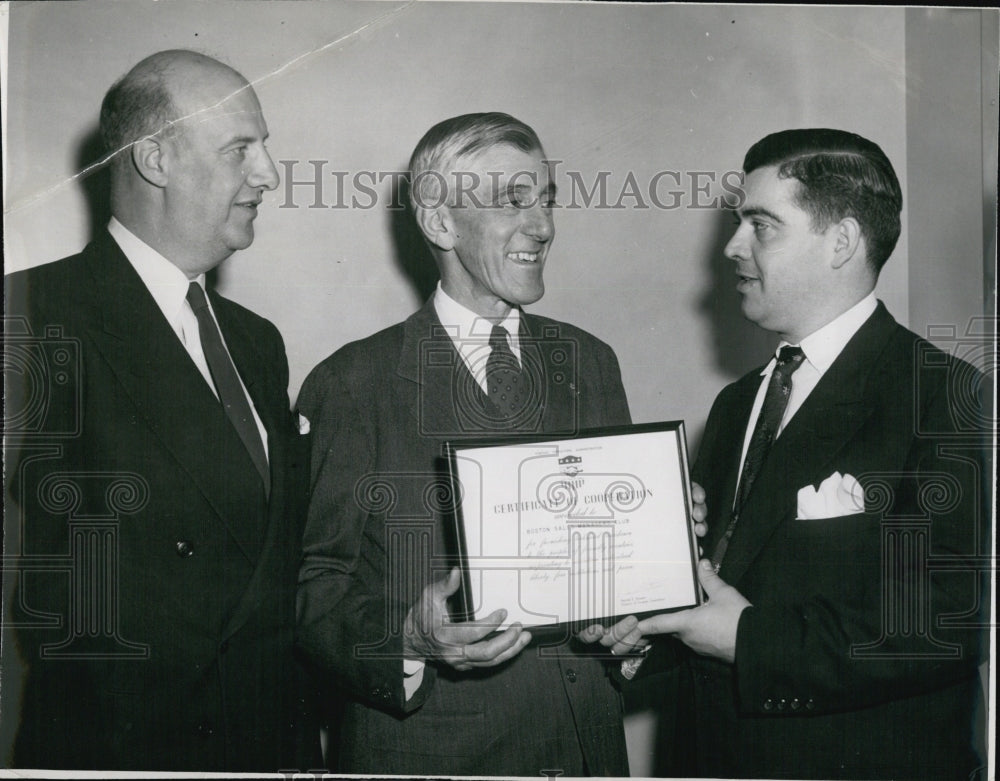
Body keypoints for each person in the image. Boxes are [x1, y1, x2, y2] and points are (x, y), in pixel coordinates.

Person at [615, 128, 989, 778]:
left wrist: (748, 639)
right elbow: (723, 590)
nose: (732, 247)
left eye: (761, 225)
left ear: (841, 241)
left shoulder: (947, 395)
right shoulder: (736, 404)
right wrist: (642, 640)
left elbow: (952, 613)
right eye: (739, 223)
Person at [296, 112, 646, 776]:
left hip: (588, 755)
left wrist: (635, 623)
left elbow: (614, 575)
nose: (542, 226)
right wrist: (408, 635)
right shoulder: (352, 382)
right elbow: (315, 590)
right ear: (439, 222)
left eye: (546, 200)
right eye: (514, 199)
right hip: (432, 755)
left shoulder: (591, 361)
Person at [4, 50, 316, 771]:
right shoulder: (30, 315)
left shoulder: (255, 341)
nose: (269, 173)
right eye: (242, 148)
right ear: (154, 159)